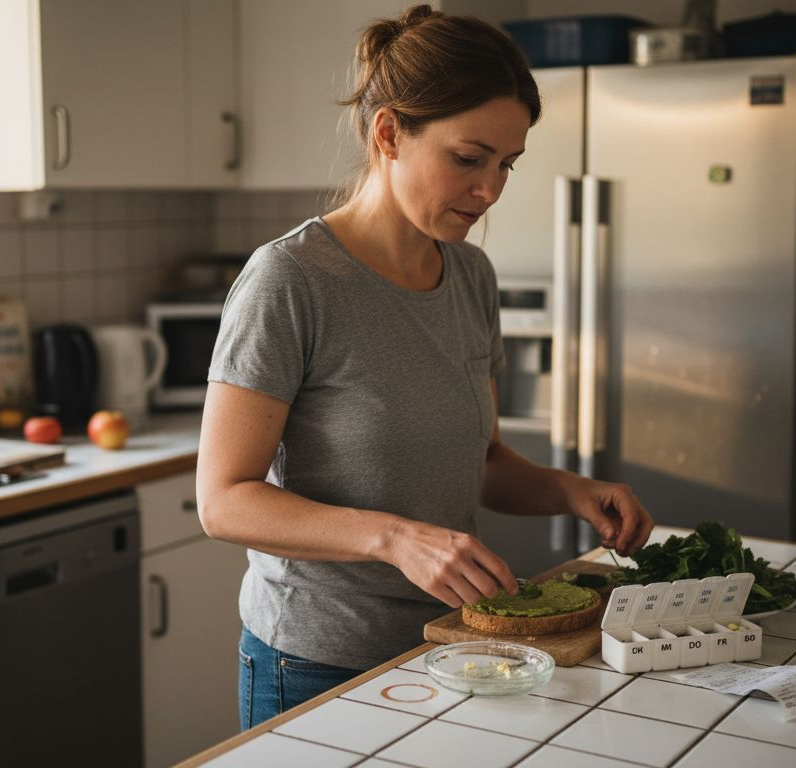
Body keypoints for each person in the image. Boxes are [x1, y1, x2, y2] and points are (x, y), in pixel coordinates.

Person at [196, 4, 653, 730]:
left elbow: (483, 458)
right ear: (389, 135)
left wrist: (572, 489)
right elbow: (223, 501)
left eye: (507, 164)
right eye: (469, 158)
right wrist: (392, 536)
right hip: (316, 663)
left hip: (454, 647)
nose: (491, 189)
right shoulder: (290, 279)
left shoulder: (470, 277)